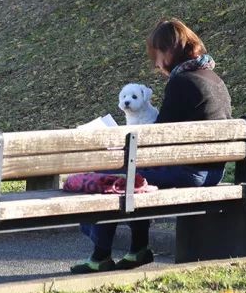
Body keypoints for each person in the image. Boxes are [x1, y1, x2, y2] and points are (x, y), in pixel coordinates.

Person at [71, 18, 232, 273]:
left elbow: (158, 137)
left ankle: (100, 255)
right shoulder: (212, 78)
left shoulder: (182, 82)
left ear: (169, 51)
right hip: (212, 171)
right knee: (135, 176)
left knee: (111, 178)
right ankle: (137, 249)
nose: (156, 64)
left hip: (189, 172)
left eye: (156, 55)